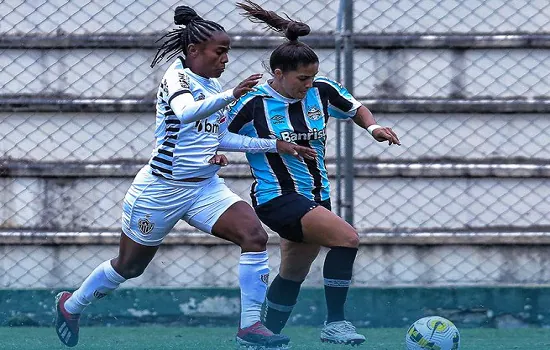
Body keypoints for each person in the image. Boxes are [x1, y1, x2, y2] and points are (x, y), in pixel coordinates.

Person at [54, 5, 316, 349]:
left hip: (205, 188)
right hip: (161, 190)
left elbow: (218, 136)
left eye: (228, 53)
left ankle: (251, 325)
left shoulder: (212, 83)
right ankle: (71, 305)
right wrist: (232, 94)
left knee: (253, 236)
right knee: (130, 267)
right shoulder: (176, 77)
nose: (225, 59)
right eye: (219, 52)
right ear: (194, 51)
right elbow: (186, 112)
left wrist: (273, 144)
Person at [229, 1, 401, 346]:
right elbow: (218, 135)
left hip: (316, 194)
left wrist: (373, 128)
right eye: (301, 78)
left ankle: (264, 335)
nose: (307, 84)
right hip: (276, 195)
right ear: (278, 73)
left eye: (311, 77)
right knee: (347, 238)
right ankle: (335, 323)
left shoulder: (322, 89)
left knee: (293, 270)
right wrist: (261, 147)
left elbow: (355, 108)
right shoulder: (253, 102)